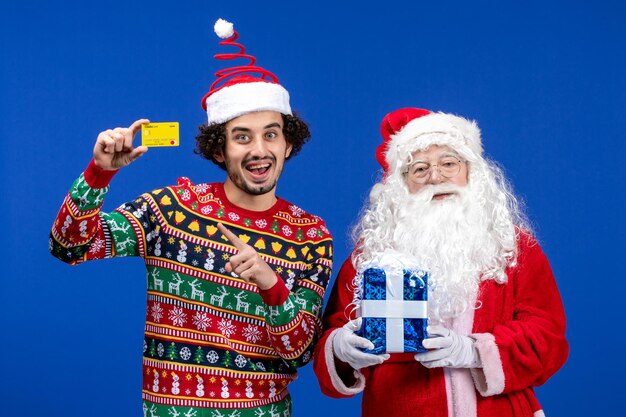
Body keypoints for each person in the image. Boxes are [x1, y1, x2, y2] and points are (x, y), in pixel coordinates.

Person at [49, 18, 332, 417]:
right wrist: (100, 174)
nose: (259, 149)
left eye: (271, 134)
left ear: (288, 145)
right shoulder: (171, 209)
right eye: (242, 136)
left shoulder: (310, 234)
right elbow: (69, 247)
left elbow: (301, 352)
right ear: (219, 150)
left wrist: (271, 285)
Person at [313, 107, 567, 416]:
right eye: (419, 169)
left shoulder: (513, 247)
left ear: (471, 171)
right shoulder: (372, 254)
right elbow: (333, 335)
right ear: (401, 184)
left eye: (449, 163)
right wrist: (342, 348)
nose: (436, 177)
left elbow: (548, 338)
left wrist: (473, 351)